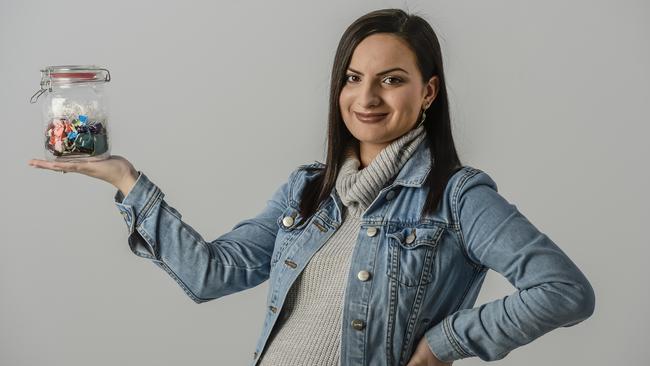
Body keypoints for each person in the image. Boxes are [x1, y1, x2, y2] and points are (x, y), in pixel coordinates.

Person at [28, 8, 595, 366]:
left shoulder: (455, 196)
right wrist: (126, 181)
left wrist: (442, 346)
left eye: (392, 80)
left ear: (428, 92)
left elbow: (563, 290)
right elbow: (210, 275)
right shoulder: (307, 190)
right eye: (353, 78)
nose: (366, 98)